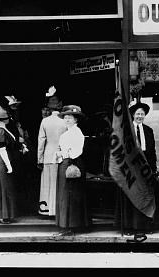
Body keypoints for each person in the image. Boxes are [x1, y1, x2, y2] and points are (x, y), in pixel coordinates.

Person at [115, 97, 157, 235]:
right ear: (133, 115)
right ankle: (129, 227)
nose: (140, 116)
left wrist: (154, 168)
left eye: (142, 114)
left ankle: (144, 227)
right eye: (137, 114)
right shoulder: (126, 130)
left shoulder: (148, 130)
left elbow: (152, 152)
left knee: (145, 197)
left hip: (145, 169)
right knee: (131, 196)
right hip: (131, 169)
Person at [55, 104, 90, 234]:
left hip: (72, 164)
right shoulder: (67, 132)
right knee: (66, 194)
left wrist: (62, 154)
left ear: (76, 120)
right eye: (66, 117)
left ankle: (71, 225)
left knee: (70, 195)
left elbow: (75, 152)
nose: (68, 119)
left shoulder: (77, 132)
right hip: (65, 163)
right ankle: (67, 224)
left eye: (70, 117)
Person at [37, 86, 67, 217]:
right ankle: (57, 209)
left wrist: (39, 159)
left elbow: (41, 142)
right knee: (58, 184)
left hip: (48, 156)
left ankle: (46, 209)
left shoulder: (44, 121)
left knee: (47, 184)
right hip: (60, 156)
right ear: (59, 106)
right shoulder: (65, 122)